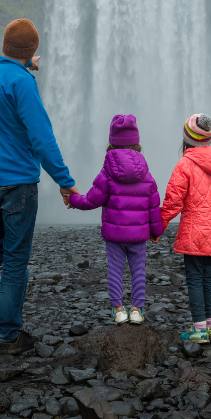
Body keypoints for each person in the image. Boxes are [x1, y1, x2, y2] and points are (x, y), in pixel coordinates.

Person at [0, 18, 79, 355]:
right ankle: (8, 335)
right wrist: (65, 182)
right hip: (18, 184)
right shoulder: (22, 82)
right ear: (30, 52)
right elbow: (41, 138)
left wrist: (25, 65)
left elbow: (7, 83)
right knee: (15, 260)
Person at [67, 114, 163, 325]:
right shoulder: (147, 174)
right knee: (138, 270)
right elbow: (153, 204)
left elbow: (93, 199)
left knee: (115, 270)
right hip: (138, 236)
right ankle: (137, 310)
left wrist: (73, 199)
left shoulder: (107, 172)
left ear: (111, 143)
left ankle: (118, 310)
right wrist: (156, 231)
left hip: (114, 235)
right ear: (137, 144)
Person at [158, 113, 211, 343]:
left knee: (194, 279)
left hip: (193, 234)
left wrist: (158, 226)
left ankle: (199, 329)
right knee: (209, 279)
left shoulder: (185, 164)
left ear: (187, 138)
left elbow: (173, 200)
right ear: (209, 138)